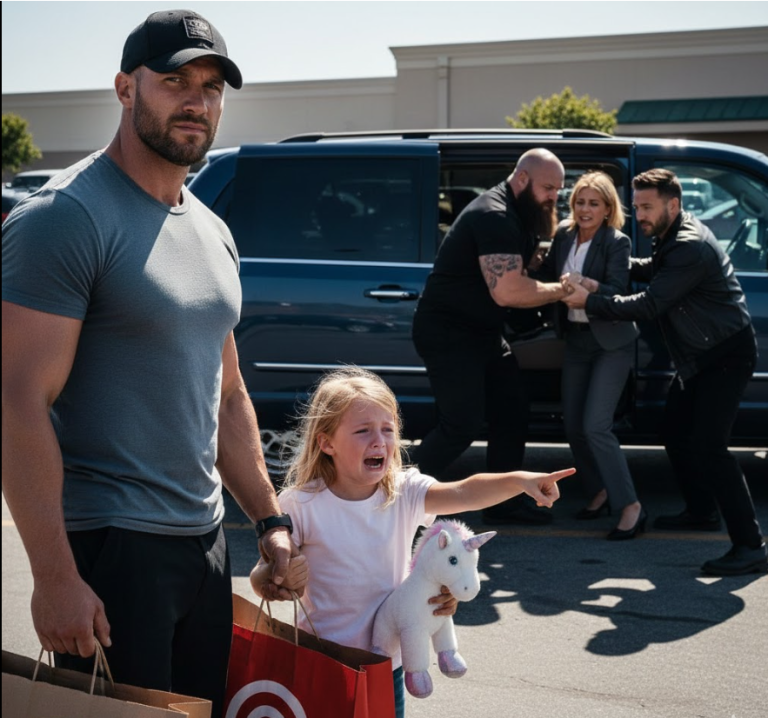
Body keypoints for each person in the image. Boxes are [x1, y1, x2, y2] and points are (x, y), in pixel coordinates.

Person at [1, 10, 295, 715]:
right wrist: (54, 576)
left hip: (203, 542)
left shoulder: (213, 230)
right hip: (111, 547)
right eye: (173, 81)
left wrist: (268, 520)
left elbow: (226, 394)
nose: (196, 101)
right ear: (125, 90)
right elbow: (15, 400)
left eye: (212, 86)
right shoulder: (64, 217)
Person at [250, 366, 575, 718]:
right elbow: (260, 575)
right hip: (325, 658)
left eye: (388, 429)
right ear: (326, 442)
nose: (380, 441)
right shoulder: (301, 504)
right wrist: (276, 578)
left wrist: (520, 480)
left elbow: (464, 491)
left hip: (388, 663)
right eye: (363, 431)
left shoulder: (404, 491)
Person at [563, 168, 766, 574]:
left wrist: (591, 299)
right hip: (700, 355)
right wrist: (611, 268)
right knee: (674, 430)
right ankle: (701, 510)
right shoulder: (674, 236)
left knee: (710, 446)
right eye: (636, 206)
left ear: (673, 204)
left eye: (647, 207)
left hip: (724, 355)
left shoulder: (688, 245)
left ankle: (751, 544)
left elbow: (649, 305)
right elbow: (656, 267)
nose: (639, 214)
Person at [411, 148, 571, 526]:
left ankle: (503, 503)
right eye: (548, 187)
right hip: (449, 333)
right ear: (522, 179)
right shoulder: (494, 214)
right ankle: (385, 495)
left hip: (481, 332)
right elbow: (509, 292)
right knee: (461, 425)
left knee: (512, 408)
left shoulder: (517, 212)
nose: (554, 197)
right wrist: (562, 289)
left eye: (558, 190)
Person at [537, 171, 644, 540]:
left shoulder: (617, 241)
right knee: (573, 426)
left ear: (607, 208)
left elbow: (617, 290)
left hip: (611, 341)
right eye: (580, 202)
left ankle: (629, 506)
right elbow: (546, 271)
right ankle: (598, 489)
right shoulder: (563, 236)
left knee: (596, 425)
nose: (585, 209)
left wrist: (587, 285)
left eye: (593, 203)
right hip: (576, 339)